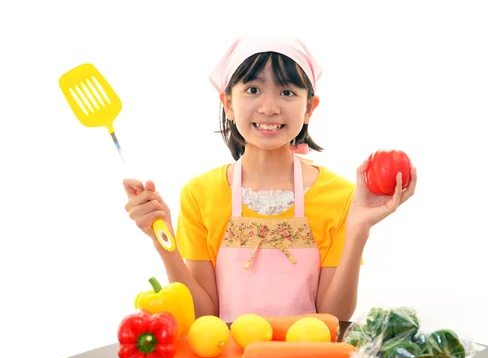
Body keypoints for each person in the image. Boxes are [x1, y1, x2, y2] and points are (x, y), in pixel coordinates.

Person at [123, 36, 417, 323]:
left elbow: (334, 317)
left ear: (309, 108)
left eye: (287, 92)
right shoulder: (201, 194)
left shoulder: (340, 195)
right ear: (228, 103)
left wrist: (358, 229)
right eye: (252, 90)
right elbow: (205, 317)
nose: (269, 107)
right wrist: (164, 243)